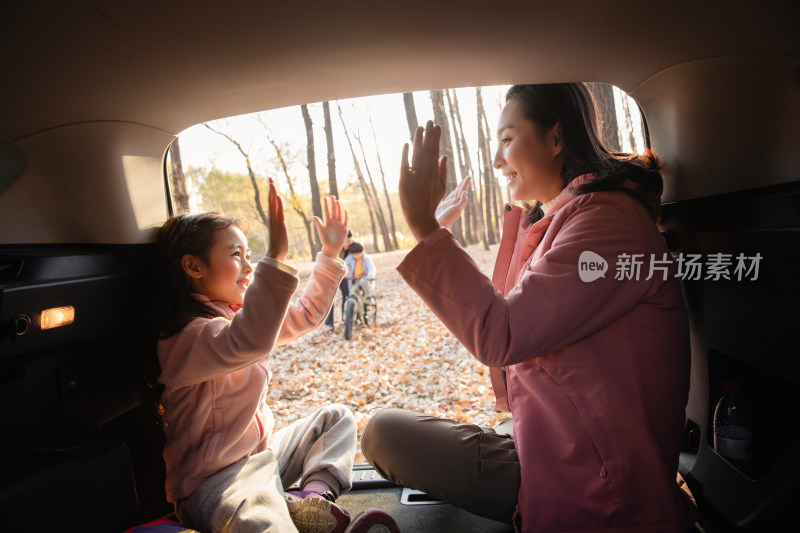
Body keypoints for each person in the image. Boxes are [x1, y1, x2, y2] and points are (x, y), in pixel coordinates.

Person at [362, 84, 697, 532]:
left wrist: (425, 228)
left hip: (599, 484)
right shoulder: (571, 218)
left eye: (506, 139)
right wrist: (437, 231)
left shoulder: (607, 224)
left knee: (385, 433)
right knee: (385, 432)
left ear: (556, 139)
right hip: (548, 443)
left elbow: (503, 333)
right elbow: (506, 317)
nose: (497, 161)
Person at [154, 179, 398, 533]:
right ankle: (282, 515)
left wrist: (330, 254)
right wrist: (276, 259)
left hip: (261, 459)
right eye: (236, 255)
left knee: (335, 419)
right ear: (194, 267)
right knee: (262, 519)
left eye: (250, 256)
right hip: (213, 484)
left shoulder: (242, 322)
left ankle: (309, 501)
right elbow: (246, 341)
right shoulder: (185, 340)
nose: (249, 266)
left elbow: (306, 314)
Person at [325, 230, 354, 331]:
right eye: (345, 242)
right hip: (332, 275)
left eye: (349, 241)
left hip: (344, 276)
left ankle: (345, 319)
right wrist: (343, 270)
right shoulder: (335, 248)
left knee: (347, 295)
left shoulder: (352, 247)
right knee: (330, 299)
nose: (347, 244)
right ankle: (329, 324)